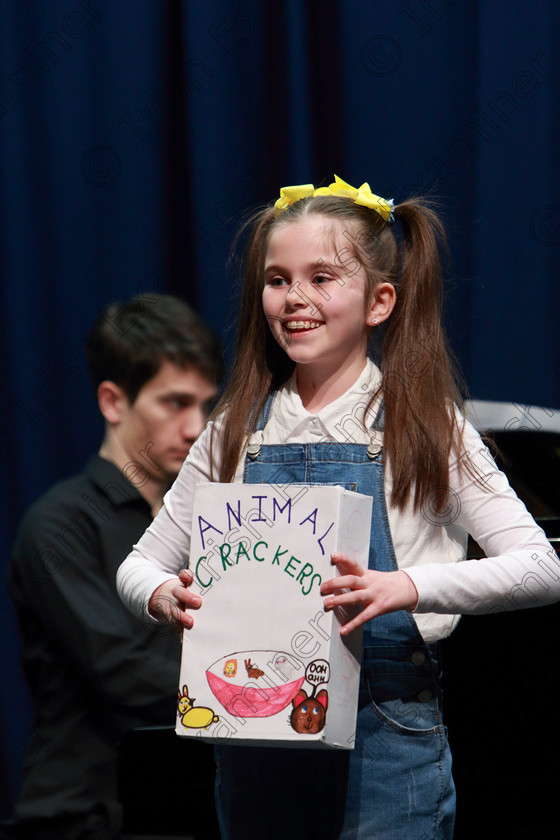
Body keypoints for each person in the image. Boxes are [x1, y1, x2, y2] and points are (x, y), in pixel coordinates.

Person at [116, 177, 560, 840]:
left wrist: (405, 586)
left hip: (388, 736)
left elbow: (540, 567)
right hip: (256, 735)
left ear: (380, 301)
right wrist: (162, 597)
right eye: (277, 279)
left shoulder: (423, 426)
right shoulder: (237, 427)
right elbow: (138, 564)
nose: (295, 299)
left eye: (322, 277)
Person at [8, 294, 223, 840]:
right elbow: (123, 672)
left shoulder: (212, 517)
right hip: (86, 816)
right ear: (112, 401)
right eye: (174, 403)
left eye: (205, 405)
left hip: (191, 801)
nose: (196, 427)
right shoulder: (59, 525)